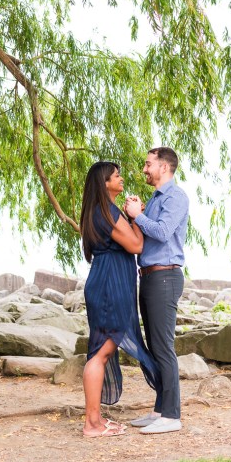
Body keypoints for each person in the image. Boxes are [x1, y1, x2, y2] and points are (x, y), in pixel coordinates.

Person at [79, 161, 161, 438]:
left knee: (101, 350)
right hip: (109, 285)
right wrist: (136, 217)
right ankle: (92, 424)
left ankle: (95, 420)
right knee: (101, 353)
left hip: (106, 280)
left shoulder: (99, 212)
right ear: (105, 183)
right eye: (117, 176)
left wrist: (132, 216)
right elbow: (137, 246)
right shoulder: (107, 213)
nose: (122, 178)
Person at [124, 146, 189, 435]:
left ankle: (172, 416)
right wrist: (136, 214)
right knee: (153, 346)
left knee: (164, 348)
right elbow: (144, 234)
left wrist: (138, 215)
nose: (144, 169)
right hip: (150, 276)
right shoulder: (155, 199)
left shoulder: (176, 197)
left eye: (148, 164)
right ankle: (160, 410)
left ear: (164, 167)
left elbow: (162, 232)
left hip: (165, 277)